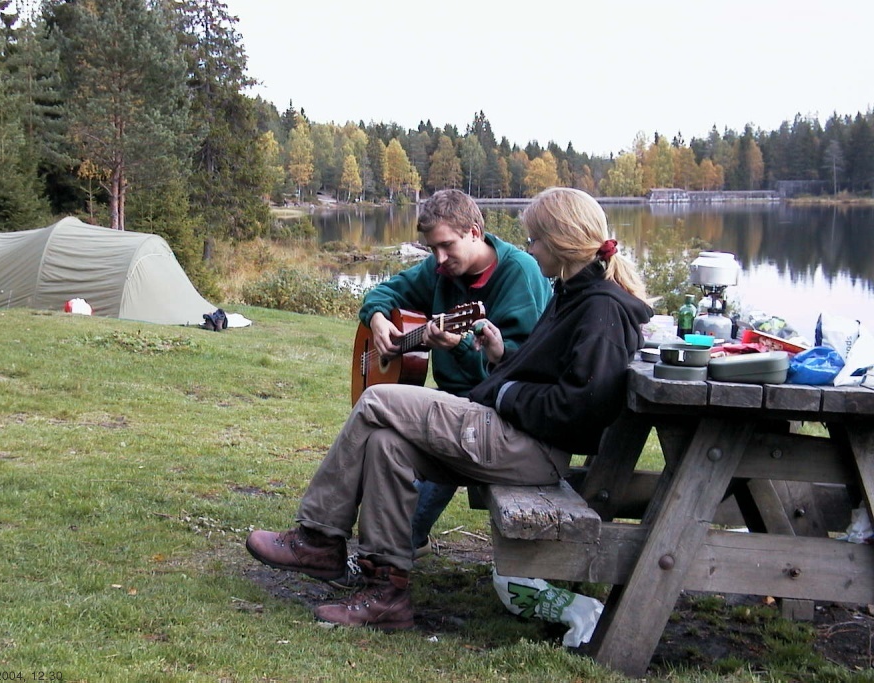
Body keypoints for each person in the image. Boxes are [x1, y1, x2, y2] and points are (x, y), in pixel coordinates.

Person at [246, 187, 653, 630]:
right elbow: (545, 374)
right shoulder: (572, 293)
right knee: (385, 444)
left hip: (527, 447)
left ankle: (319, 538)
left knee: (377, 399)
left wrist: (502, 392)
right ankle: (386, 592)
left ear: (560, 239)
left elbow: (580, 409)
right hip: (508, 432)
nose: (530, 248)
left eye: (535, 238)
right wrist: (500, 356)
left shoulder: (601, 310)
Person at [354, 188, 551, 572]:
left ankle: (394, 542)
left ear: (474, 232)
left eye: (446, 246)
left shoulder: (520, 275)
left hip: (502, 412)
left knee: (399, 418)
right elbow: (383, 292)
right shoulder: (441, 269)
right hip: (454, 399)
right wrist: (377, 317)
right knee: (386, 435)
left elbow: (517, 371)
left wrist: (459, 345)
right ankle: (388, 543)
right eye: (432, 250)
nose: (439, 260)